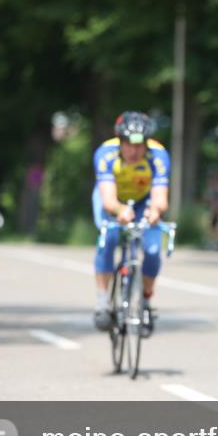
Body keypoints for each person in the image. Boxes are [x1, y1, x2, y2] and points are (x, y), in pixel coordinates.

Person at [91, 112, 171, 336]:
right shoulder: (105, 154)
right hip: (113, 200)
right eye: (128, 145)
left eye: (139, 146)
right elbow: (108, 200)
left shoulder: (158, 156)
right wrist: (119, 210)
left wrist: (155, 211)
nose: (134, 152)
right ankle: (103, 302)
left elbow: (160, 197)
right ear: (119, 141)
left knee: (153, 250)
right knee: (108, 239)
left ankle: (145, 301)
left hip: (143, 201)